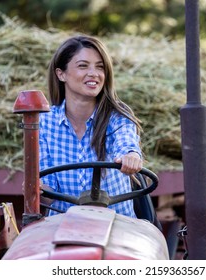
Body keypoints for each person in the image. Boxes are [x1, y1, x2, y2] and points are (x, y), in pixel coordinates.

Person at [39, 34, 143, 218]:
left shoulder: (117, 116)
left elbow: (126, 143)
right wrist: (37, 190)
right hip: (63, 226)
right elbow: (48, 194)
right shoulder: (45, 123)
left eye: (100, 67)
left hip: (117, 227)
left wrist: (131, 156)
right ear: (61, 74)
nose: (94, 73)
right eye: (83, 66)